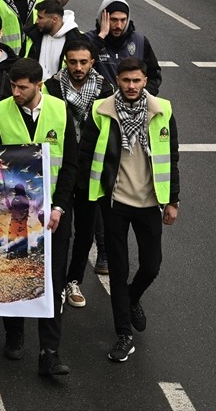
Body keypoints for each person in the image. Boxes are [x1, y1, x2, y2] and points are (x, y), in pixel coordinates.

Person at [0, 58, 78, 376]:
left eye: (22, 87)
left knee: (52, 282)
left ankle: (50, 351)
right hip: (14, 215)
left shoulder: (61, 112)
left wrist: (59, 207)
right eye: (12, 85)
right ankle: (14, 334)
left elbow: (70, 166)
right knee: (15, 275)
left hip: (53, 215)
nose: (16, 92)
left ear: (39, 85)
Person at [80, 58, 179, 363]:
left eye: (137, 81)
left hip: (150, 203)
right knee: (118, 269)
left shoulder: (162, 110)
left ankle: (132, 297)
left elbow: (171, 156)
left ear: (145, 81)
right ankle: (124, 335)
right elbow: (87, 154)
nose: (131, 86)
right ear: (118, 81)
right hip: (115, 203)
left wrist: (173, 200)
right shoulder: (101, 111)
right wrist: (91, 197)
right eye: (126, 81)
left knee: (151, 266)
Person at [47, 39, 114, 307]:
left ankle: (73, 280)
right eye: (72, 61)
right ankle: (54, 282)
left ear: (92, 63)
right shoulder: (51, 87)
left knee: (86, 231)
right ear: (65, 62)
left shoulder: (105, 91)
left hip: (89, 170)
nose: (77, 67)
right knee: (59, 230)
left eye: (83, 62)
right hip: (60, 168)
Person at [87, 0, 163, 95]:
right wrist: (100, 38)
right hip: (102, 104)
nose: (119, 26)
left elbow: (154, 76)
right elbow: (81, 68)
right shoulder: (89, 40)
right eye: (113, 20)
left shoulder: (140, 41)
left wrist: (141, 95)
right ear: (103, 18)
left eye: (123, 20)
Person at [25, 0, 85, 76]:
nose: (36, 21)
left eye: (40, 17)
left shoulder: (78, 39)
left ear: (54, 19)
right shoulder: (32, 34)